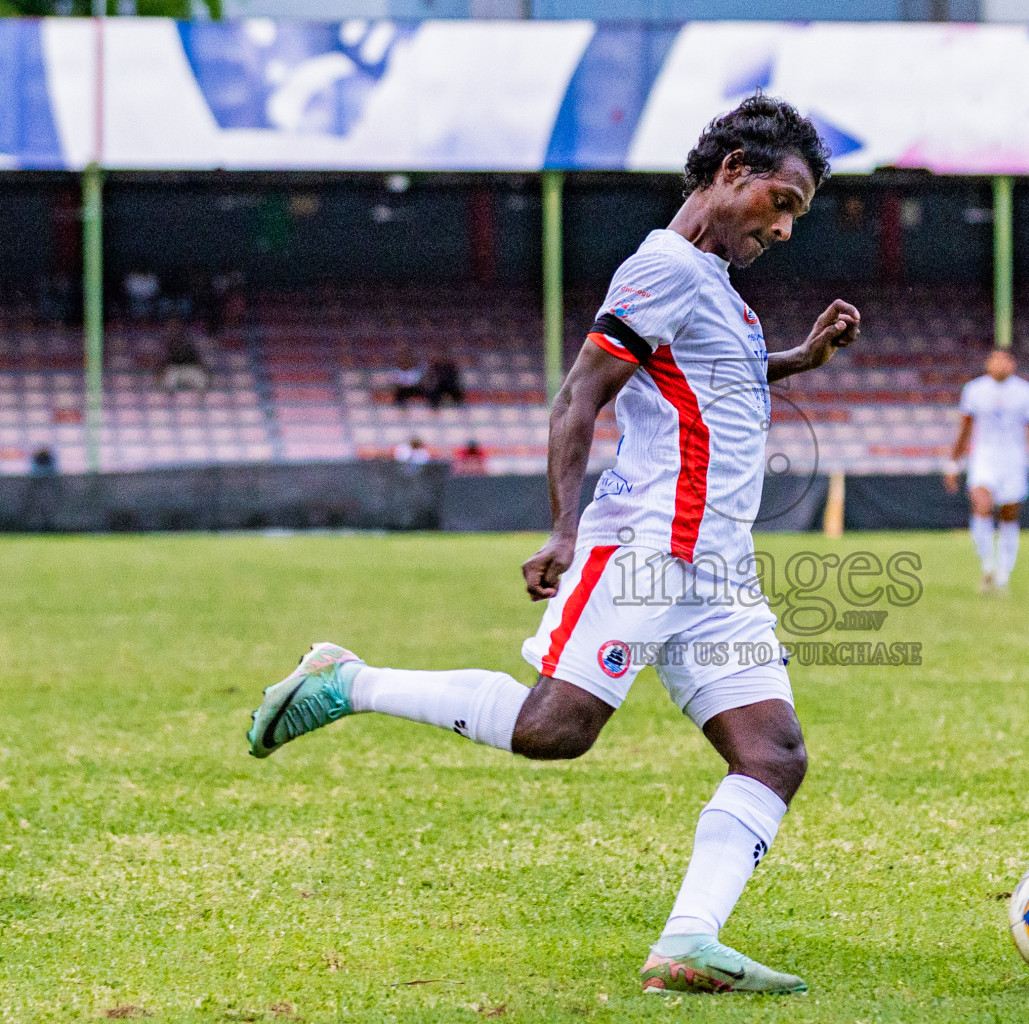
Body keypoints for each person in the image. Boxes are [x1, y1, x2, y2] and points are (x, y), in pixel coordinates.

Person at [245, 96, 858, 995]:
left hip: (719, 567)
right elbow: (580, 395)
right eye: (783, 199)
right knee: (554, 730)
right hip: (653, 544)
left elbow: (711, 377)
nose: (785, 226)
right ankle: (348, 681)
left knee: (774, 755)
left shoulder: (714, 287)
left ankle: (687, 944)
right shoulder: (664, 267)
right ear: (732, 171)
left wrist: (799, 360)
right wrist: (565, 527)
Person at [944, 348, 1029, 593]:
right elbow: (965, 430)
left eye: (1004, 359)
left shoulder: (1025, 392)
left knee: (1009, 513)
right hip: (984, 456)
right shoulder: (975, 390)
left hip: (1013, 458)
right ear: (988, 363)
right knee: (982, 505)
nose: (999, 364)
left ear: (1012, 364)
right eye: (995, 359)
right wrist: (953, 463)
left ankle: (1003, 572)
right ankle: (987, 566)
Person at [160, 319, 210, 392]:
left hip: (191, 368)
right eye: (171, 328)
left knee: (201, 380)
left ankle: (201, 400)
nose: (173, 330)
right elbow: (164, 363)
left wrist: (202, 367)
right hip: (174, 369)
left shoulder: (190, 340)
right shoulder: (165, 342)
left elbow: (199, 359)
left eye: (175, 327)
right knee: (168, 379)